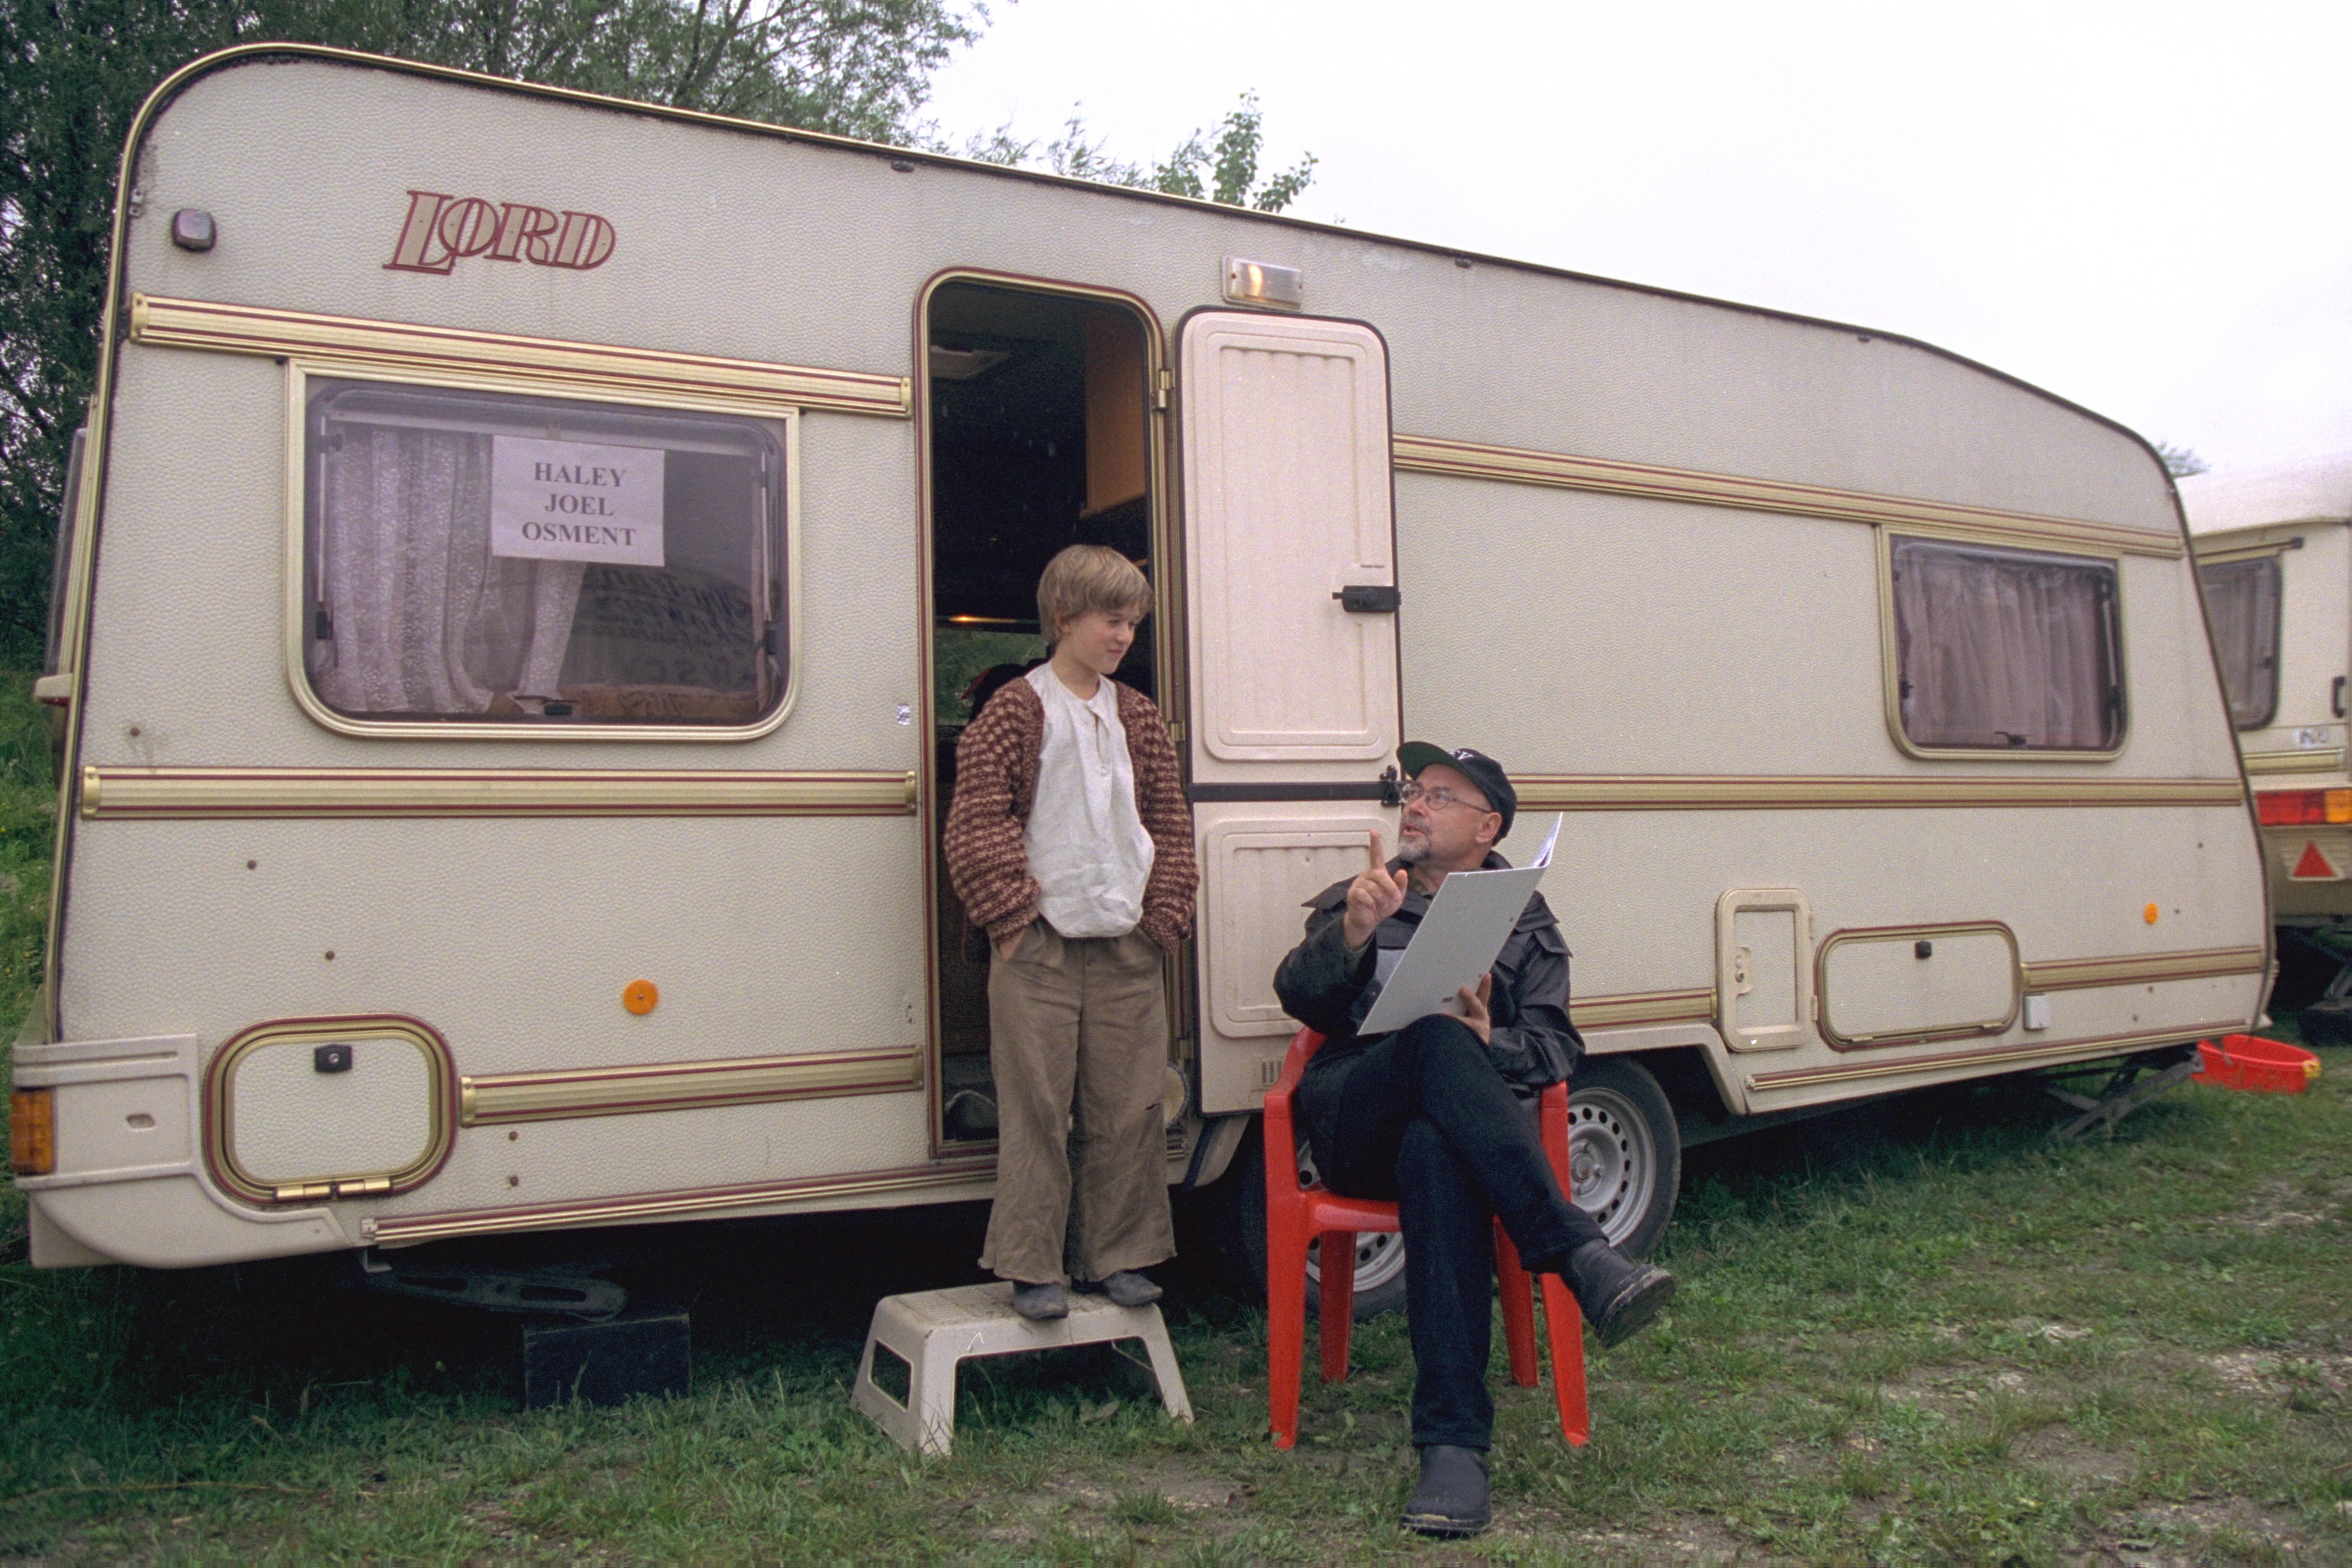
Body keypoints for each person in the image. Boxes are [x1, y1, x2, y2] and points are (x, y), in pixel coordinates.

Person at [1274, 741, 1676, 1538]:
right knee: (1429, 1039)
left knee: (1438, 1143)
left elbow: (1558, 1048)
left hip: (1450, 1132)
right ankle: (1577, 1251)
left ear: (1487, 825)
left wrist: (1491, 1042)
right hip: (1357, 1114)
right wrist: (1353, 932)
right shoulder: (1364, 892)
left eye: (1440, 795)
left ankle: (1453, 1448)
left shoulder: (1520, 917)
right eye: (1414, 791)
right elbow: (1299, 998)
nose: (1415, 804)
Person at [943, 544, 1198, 1321]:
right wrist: (1012, 918)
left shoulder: (1138, 715)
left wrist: (1163, 919)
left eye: (1131, 622)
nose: (1123, 635)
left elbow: (1168, 822)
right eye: (1109, 619)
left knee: (1128, 1108)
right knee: (1038, 1109)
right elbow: (977, 819)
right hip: (1041, 945)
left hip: (1125, 943)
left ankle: (1115, 1255)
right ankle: (1033, 1264)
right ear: (1065, 617)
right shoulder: (1016, 709)